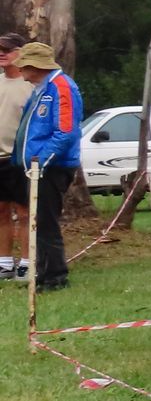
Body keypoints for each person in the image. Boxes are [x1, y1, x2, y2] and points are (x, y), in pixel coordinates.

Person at [13, 42, 84, 290]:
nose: (21, 72)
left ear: (35, 66)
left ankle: (55, 277)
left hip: (50, 168)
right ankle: (41, 272)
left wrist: (41, 162)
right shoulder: (42, 88)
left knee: (46, 222)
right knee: (37, 222)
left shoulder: (61, 87)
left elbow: (65, 132)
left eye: (24, 67)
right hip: (34, 168)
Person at [0, 34, 29, 278]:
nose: (2, 53)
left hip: (21, 159)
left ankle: (27, 262)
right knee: (1, 210)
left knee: (24, 212)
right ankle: (5, 262)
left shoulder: (31, 85)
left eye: (7, 49)